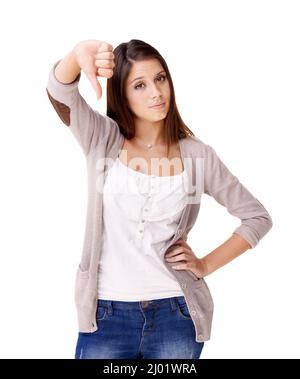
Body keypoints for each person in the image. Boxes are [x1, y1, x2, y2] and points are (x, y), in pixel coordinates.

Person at [46, 39, 273, 359]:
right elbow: (59, 91)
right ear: (122, 95)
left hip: (175, 315)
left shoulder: (197, 156)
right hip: (106, 316)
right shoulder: (103, 138)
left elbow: (257, 217)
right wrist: (75, 54)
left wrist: (204, 264)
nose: (156, 92)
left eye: (160, 78)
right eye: (140, 84)